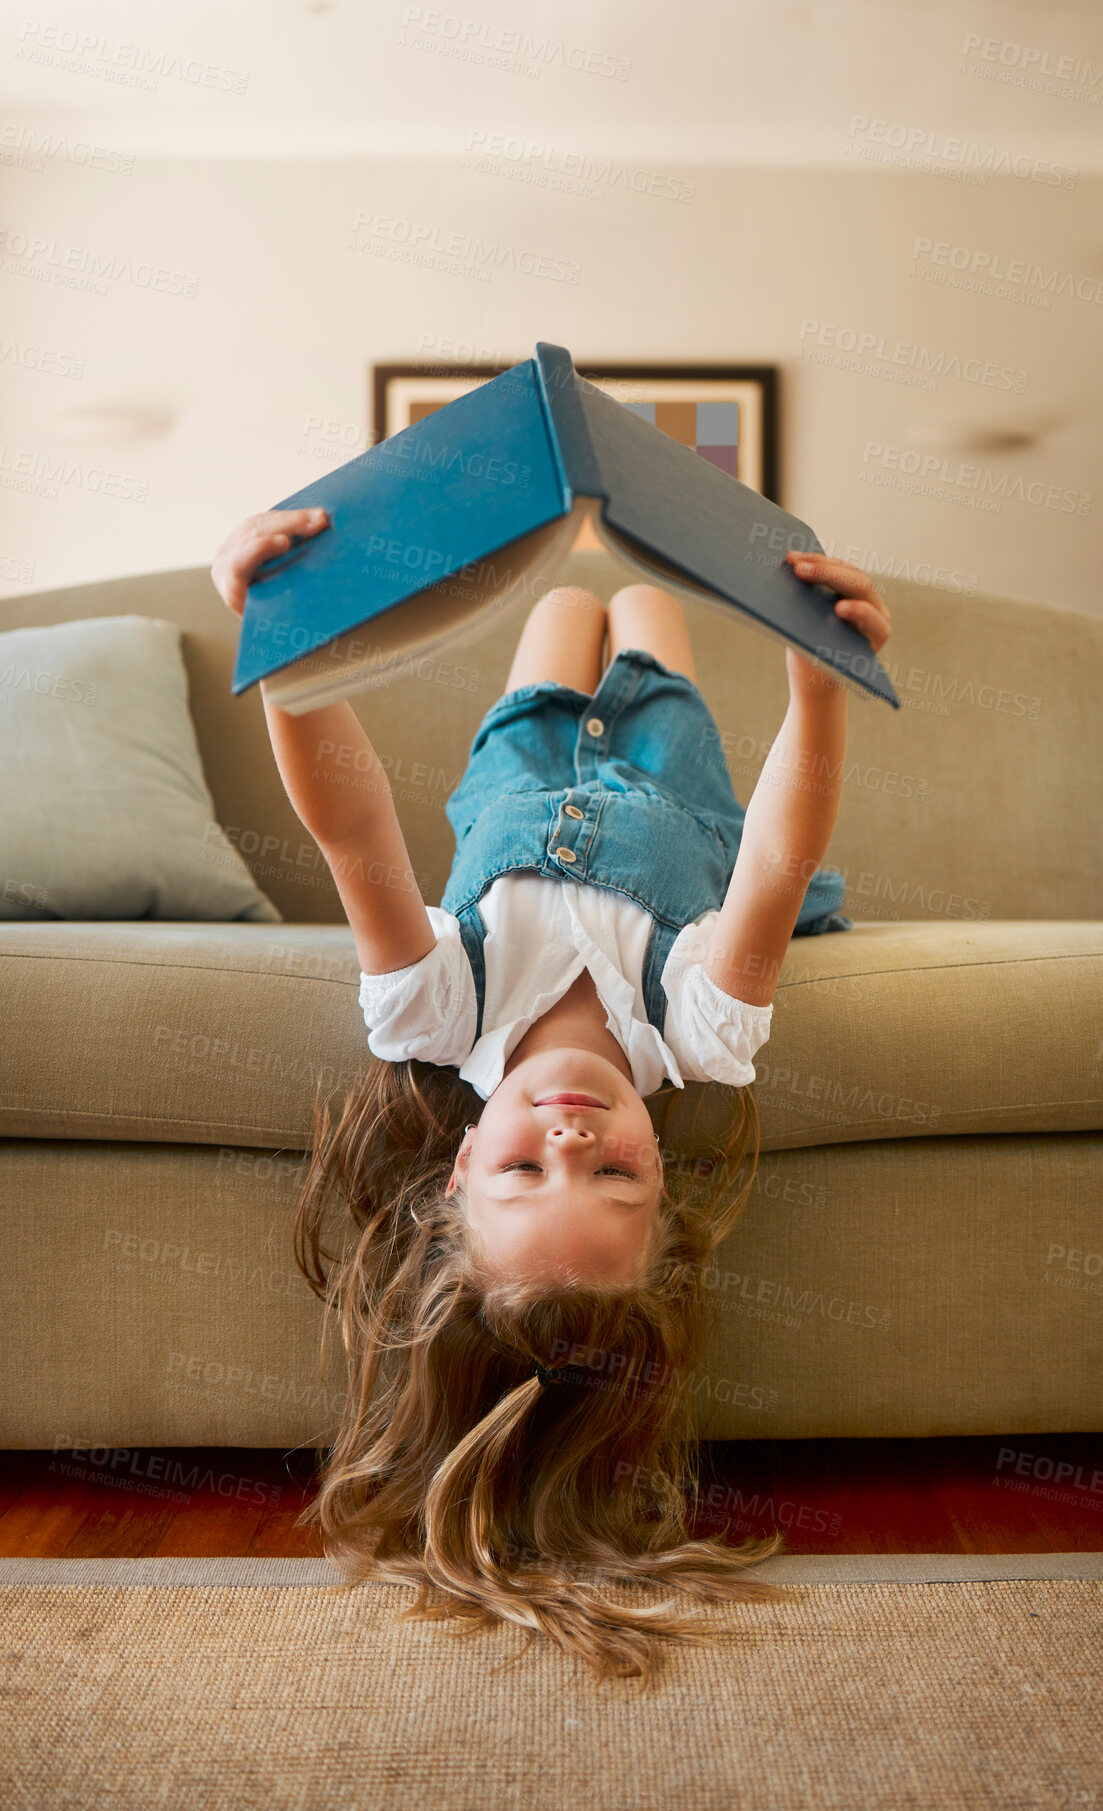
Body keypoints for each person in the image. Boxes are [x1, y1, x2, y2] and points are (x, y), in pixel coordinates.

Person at [211, 506, 891, 1681]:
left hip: (513, 778)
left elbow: (352, 823)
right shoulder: (699, 1026)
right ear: (663, 1170)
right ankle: (622, 544)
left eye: (527, 1169)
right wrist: (818, 679)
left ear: (463, 1164)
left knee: (559, 607)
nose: (569, 1135)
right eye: (610, 1170)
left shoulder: (435, 1012)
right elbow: (776, 861)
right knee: (644, 612)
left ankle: (581, 530)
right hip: (681, 801)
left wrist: (289, 646)